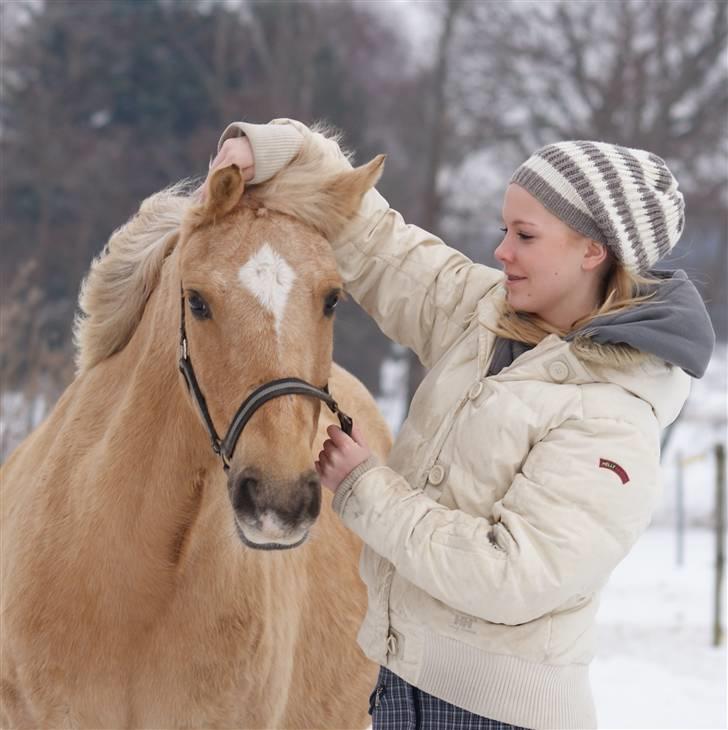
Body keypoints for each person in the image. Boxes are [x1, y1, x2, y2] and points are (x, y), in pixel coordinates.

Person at [206, 120, 715, 730]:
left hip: (499, 716)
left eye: (525, 235)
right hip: (401, 688)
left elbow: (511, 575)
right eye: (505, 230)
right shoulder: (485, 318)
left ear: (592, 250)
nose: (502, 251)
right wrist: (276, 148)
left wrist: (366, 486)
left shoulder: (612, 415)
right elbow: (373, 239)